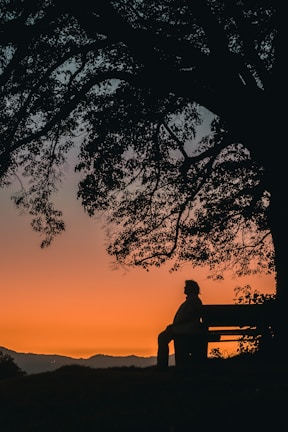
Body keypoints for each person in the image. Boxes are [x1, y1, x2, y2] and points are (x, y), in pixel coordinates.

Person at [157, 279, 203, 370]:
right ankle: (162, 365)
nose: (184, 288)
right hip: (184, 328)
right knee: (162, 337)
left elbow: (188, 317)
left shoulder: (192, 301)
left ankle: (162, 366)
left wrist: (174, 325)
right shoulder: (193, 300)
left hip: (185, 329)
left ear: (191, 289)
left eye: (186, 287)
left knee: (162, 337)